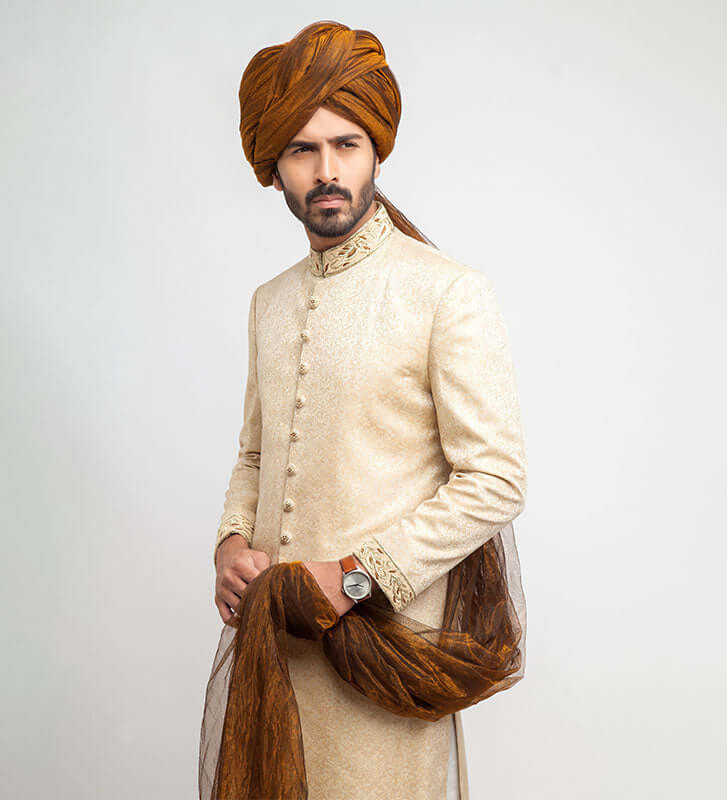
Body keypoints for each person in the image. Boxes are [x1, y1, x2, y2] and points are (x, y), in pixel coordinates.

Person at [200, 20, 528, 800]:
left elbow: (495, 481)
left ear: (376, 151)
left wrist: (350, 579)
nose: (326, 171)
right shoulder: (270, 302)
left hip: (385, 660)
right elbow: (255, 456)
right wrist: (231, 543)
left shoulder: (446, 291)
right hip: (276, 653)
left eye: (345, 145)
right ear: (273, 169)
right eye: (301, 150)